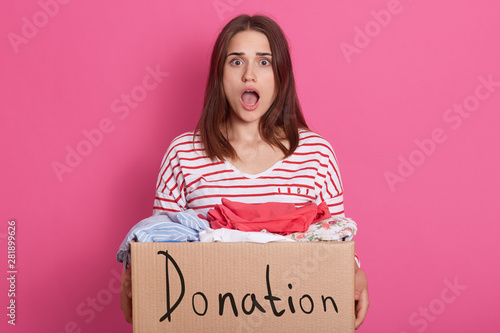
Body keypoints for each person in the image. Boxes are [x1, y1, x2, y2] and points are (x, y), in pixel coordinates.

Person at [121, 14, 369, 329]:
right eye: (236, 62)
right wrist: (134, 275)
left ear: (281, 76)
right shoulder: (182, 153)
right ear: (219, 75)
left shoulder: (316, 153)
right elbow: (160, 250)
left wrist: (354, 271)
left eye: (263, 63)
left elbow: (336, 242)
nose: (249, 75)